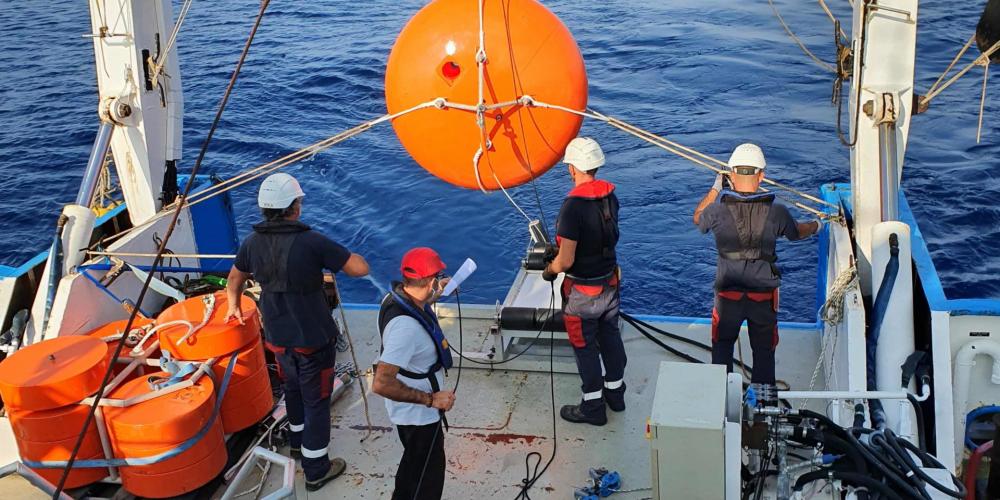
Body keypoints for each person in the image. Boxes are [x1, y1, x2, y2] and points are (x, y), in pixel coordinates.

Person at [224, 172, 370, 492]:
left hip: (277, 336)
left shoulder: (252, 242)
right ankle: (316, 468)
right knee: (317, 398)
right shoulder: (311, 241)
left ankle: (296, 442)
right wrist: (349, 257)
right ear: (294, 208)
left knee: (292, 388)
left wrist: (234, 306)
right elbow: (358, 268)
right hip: (312, 339)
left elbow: (234, 279)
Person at [693, 143, 821, 399]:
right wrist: (818, 224)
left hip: (727, 297)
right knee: (764, 351)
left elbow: (698, 217)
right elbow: (797, 232)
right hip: (762, 297)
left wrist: (716, 187)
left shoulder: (716, 211)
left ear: (731, 175)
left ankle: (720, 402)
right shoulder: (777, 213)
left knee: (722, 346)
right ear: (761, 176)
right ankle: (763, 408)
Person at [542, 137, 626, 426]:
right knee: (610, 338)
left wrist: (550, 270)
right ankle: (616, 396)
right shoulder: (610, 197)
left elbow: (565, 260)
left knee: (585, 347)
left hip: (582, 294)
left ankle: (592, 408)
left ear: (572, 168)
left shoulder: (572, 207)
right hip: (610, 285)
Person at [372, 247, 456, 500]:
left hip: (413, 413)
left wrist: (436, 292)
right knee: (426, 478)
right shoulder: (405, 329)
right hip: (418, 416)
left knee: (413, 465)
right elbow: (381, 383)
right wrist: (431, 400)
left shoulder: (396, 298)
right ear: (429, 281)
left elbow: (417, 306)